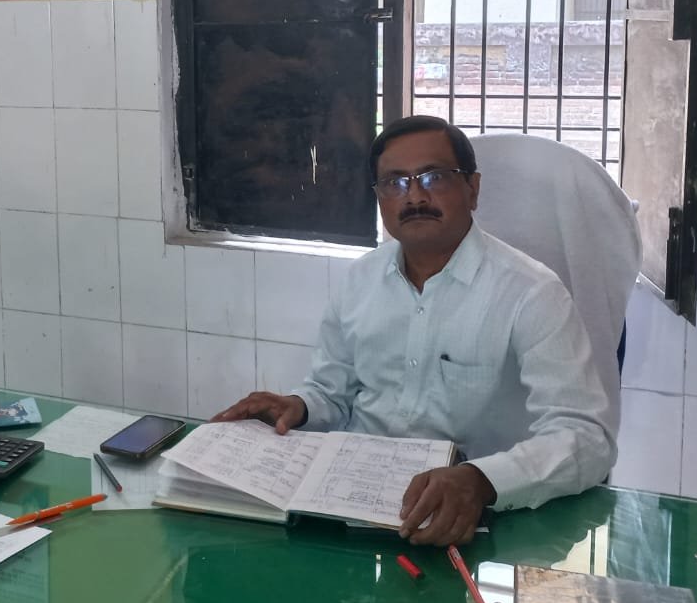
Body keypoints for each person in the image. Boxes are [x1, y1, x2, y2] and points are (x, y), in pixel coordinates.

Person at [213, 115, 616, 547]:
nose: (415, 196)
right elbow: (332, 391)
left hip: (475, 524)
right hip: (351, 508)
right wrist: (299, 406)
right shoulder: (360, 280)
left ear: (473, 189)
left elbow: (587, 439)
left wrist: (481, 480)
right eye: (395, 183)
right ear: (380, 198)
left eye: (434, 177)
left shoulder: (531, 293)